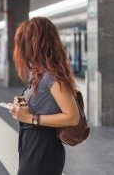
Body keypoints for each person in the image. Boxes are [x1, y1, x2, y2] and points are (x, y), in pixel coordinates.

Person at [9, 17, 80, 175]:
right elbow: (45, 105)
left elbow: (72, 117)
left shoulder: (52, 77)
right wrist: (24, 103)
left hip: (43, 151)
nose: (20, 48)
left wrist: (29, 118)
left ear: (37, 44)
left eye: (24, 42)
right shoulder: (40, 74)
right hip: (32, 148)